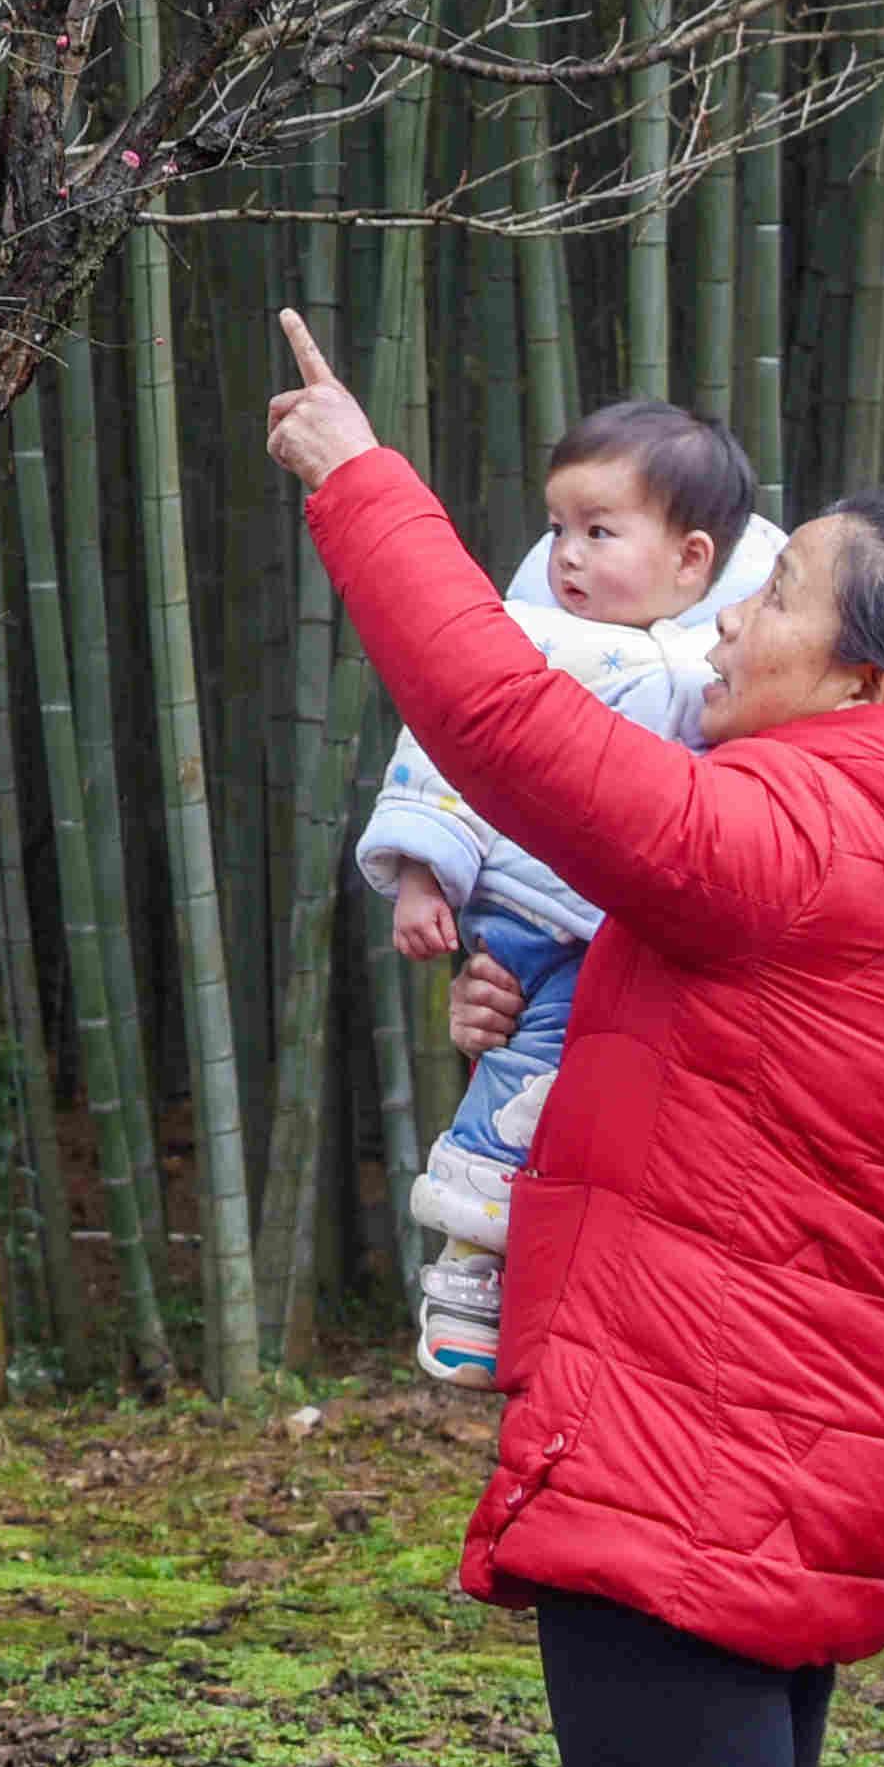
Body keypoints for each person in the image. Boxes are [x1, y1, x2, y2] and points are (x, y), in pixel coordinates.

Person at [263, 311, 884, 1767]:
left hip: (689, 1458)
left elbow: (502, 719)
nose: (729, 617)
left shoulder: (805, 841)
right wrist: (538, 1013)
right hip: (781, 1444)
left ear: (863, 682)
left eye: (775, 592)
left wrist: (360, 481)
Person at [356, 401, 783, 1385]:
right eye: (557, 529)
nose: (568, 555)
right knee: (521, 1090)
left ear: (693, 559)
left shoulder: (736, 661)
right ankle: (470, 1265)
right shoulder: (528, 641)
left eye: (600, 530)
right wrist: (425, 871)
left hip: (657, 943)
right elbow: (447, 746)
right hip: (537, 931)